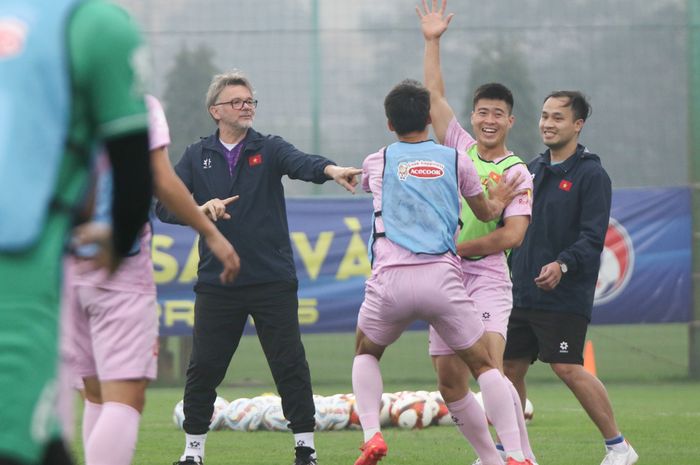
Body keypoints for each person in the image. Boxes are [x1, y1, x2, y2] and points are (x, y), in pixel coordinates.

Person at [155, 70, 361, 465]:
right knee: (204, 369)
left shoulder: (268, 148)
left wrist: (333, 170)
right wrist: (200, 210)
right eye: (237, 101)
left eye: (250, 101)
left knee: (289, 365)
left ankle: (305, 448)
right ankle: (192, 453)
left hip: (271, 280)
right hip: (218, 283)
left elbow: (304, 163)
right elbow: (165, 205)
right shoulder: (197, 156)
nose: (246, 106)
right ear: (215, 110)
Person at [0, 1, 153, 465]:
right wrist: (122, 236)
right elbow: (136, 164)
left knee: (51, 428)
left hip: (52, 268)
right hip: (21, 260)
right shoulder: (97, 26)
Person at [351, 79, 531, 465]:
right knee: (485, 367)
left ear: (388, 123)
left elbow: (365, 182)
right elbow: (484, 212)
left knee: (366, 352)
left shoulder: (376, 160)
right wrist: (496, 200)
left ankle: (372, 436)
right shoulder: (457, 160)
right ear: (430, 118)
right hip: (444, 279)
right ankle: (514, 455)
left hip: (391, 281)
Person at [60, 95, 241, 465]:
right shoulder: (137, 104)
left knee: (93, 394)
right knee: (123, 397)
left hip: (61, 265)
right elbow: (161, 178)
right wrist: (209, 232)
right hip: (119, 266)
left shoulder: (53, 96)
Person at [416, 2, 537, 464]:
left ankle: (518, 456)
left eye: (498, 114)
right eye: (482, 112)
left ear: (510, 121)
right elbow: (432, 97)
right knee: (450, 381)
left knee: (489, 364)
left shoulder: (517, 171)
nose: (489, 120)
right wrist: (432, 41)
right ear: (474, 115)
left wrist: (456, 247)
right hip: (445, 279)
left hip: (485, 277)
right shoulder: (460, 147)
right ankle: (490, 456)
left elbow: (511, 238)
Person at [503, 91, 639, 465]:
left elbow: (593, 237)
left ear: (577, 125)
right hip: (520, 290)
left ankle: (619, 447)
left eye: (558, 117)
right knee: (508, 369)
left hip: (564, 293)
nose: (548, 123)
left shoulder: (592, 174)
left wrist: (562, 265)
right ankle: (512, 453)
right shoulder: (530, 169)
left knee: (566, 366)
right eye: (545, 116)